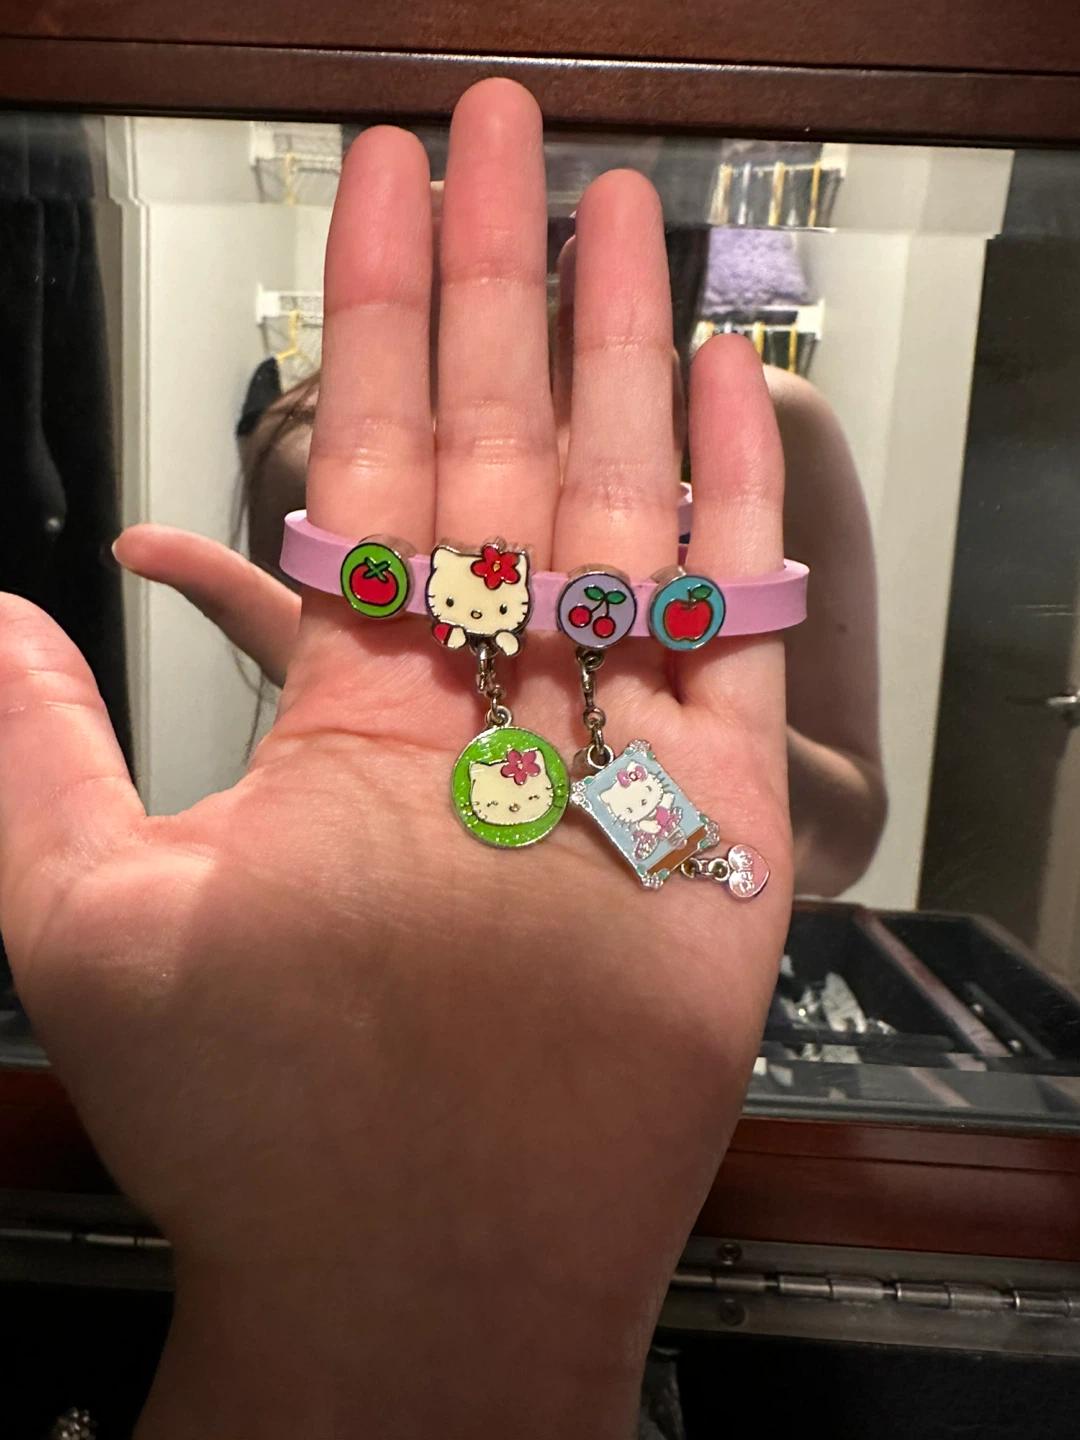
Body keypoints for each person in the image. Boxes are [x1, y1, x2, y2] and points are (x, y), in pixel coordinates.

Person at [5, 78, 815, 1436]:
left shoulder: (782, 434)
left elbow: (836, 821)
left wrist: (699, 798)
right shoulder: (306, 431)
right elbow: (384, 666)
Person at [116, 212, 885, 900]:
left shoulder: (772, 431)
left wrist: (682, 709)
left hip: (677, 919)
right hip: (403, 908)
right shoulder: (308, 451)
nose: (553, 204)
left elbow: (844, 844)